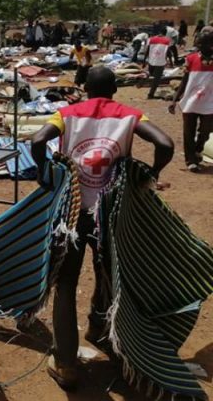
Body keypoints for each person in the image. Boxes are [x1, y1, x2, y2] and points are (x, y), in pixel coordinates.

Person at [31, 66, 174, 391]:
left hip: (74, 214)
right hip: (112, 213)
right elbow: (165, 143)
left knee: (66, 285)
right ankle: (117, 348)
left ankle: (66, 365)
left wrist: (44, 172)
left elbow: (38, 140)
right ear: (114, 90)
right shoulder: (131, 114)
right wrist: (149, 174)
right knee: (113, 276)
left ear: (84, 88)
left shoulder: (66, 114)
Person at [169, 27, 213, 172]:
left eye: (203, 44)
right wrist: (174, 99)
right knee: (188, 132)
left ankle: (197, 149)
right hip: (190, 101)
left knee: (206, 131)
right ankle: (191, 160)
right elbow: (185, 80)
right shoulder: (191, 59)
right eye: (199, 44)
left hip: (209, 103)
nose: (200, 47)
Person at [146, 26, 172, 99]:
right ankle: (150, 94)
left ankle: (143, 84)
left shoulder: (151, 39)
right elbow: (168, 52)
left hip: (151, 60)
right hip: (160, 62)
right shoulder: (167, 41)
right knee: (156, 79)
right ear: (166, 33)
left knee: (151, 75)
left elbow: (147, 50)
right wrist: (171, 62)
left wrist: (145, 61)